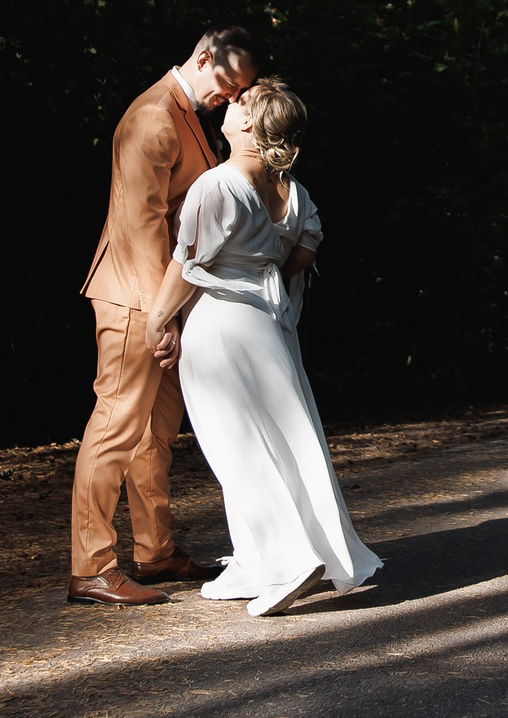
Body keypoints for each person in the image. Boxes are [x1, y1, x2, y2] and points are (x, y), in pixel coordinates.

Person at [146, 79, 380, 618]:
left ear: (248, 126)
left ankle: (288, 559)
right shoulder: (294, 192)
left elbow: (188, 265)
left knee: (237, 448)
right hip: (269, 327)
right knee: (285, 439)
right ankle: (254, 560)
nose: (228, 106)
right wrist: (261, 268)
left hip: (220, 327)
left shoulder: (218, 185)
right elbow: (303, 253)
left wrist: (158, 321)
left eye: (238, 104)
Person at [66, 28, 259, 608]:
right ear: (203, 58)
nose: (230, 98)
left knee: (157, 433)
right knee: (115, 428)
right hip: (135, 300)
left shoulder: (186, 111)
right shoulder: (154, 117)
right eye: (228, 85)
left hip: (164, 301)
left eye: (240, 92)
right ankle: (91, 566)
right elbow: (141, 227)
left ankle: (154, 552)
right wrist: (163, 317)